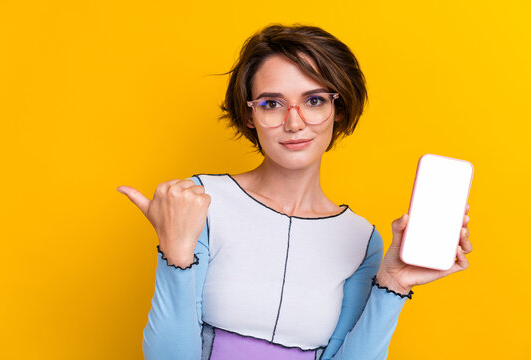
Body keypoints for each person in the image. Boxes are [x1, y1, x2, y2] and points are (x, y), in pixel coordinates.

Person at [116, 23, 472, 360]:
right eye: (272, 104)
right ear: (250, 115)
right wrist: (175, 255)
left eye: (315, 100)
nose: (294, 122)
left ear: (339, 108)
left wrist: (392, 284)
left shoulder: (362, 239)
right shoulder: (199, 200)